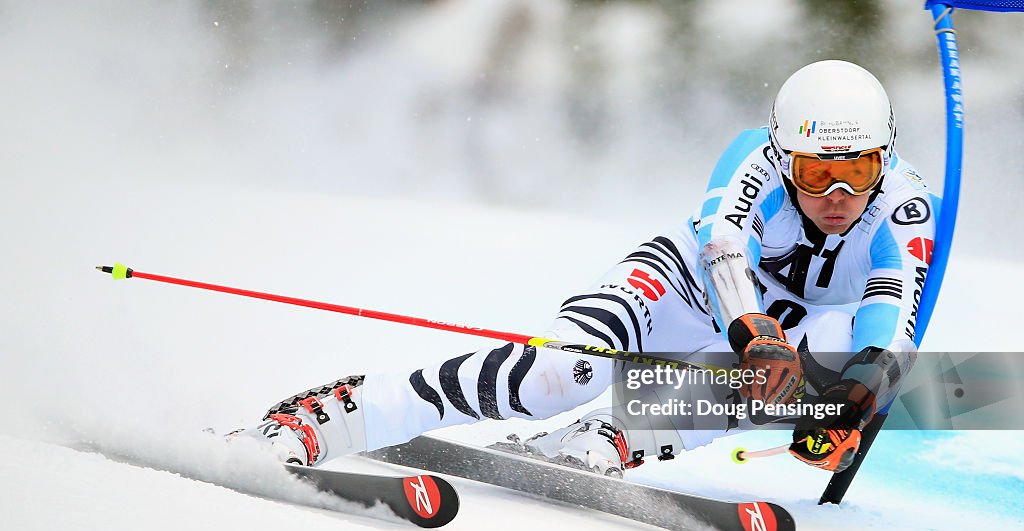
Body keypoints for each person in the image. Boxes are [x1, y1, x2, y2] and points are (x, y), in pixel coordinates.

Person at [233, 60, 937, 476]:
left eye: (860, 170)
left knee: (826, 351)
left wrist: (852, 399)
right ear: (786, 156)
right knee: (553, 374)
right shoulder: (753, 157)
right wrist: (752, 327)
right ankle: (337, 415)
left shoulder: (905, 205)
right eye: (817, 173)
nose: (838, 195)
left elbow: (895, 309)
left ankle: (618, 432)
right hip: (693, 287)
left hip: (790, 330)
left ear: (886, 157)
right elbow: (723, 246)